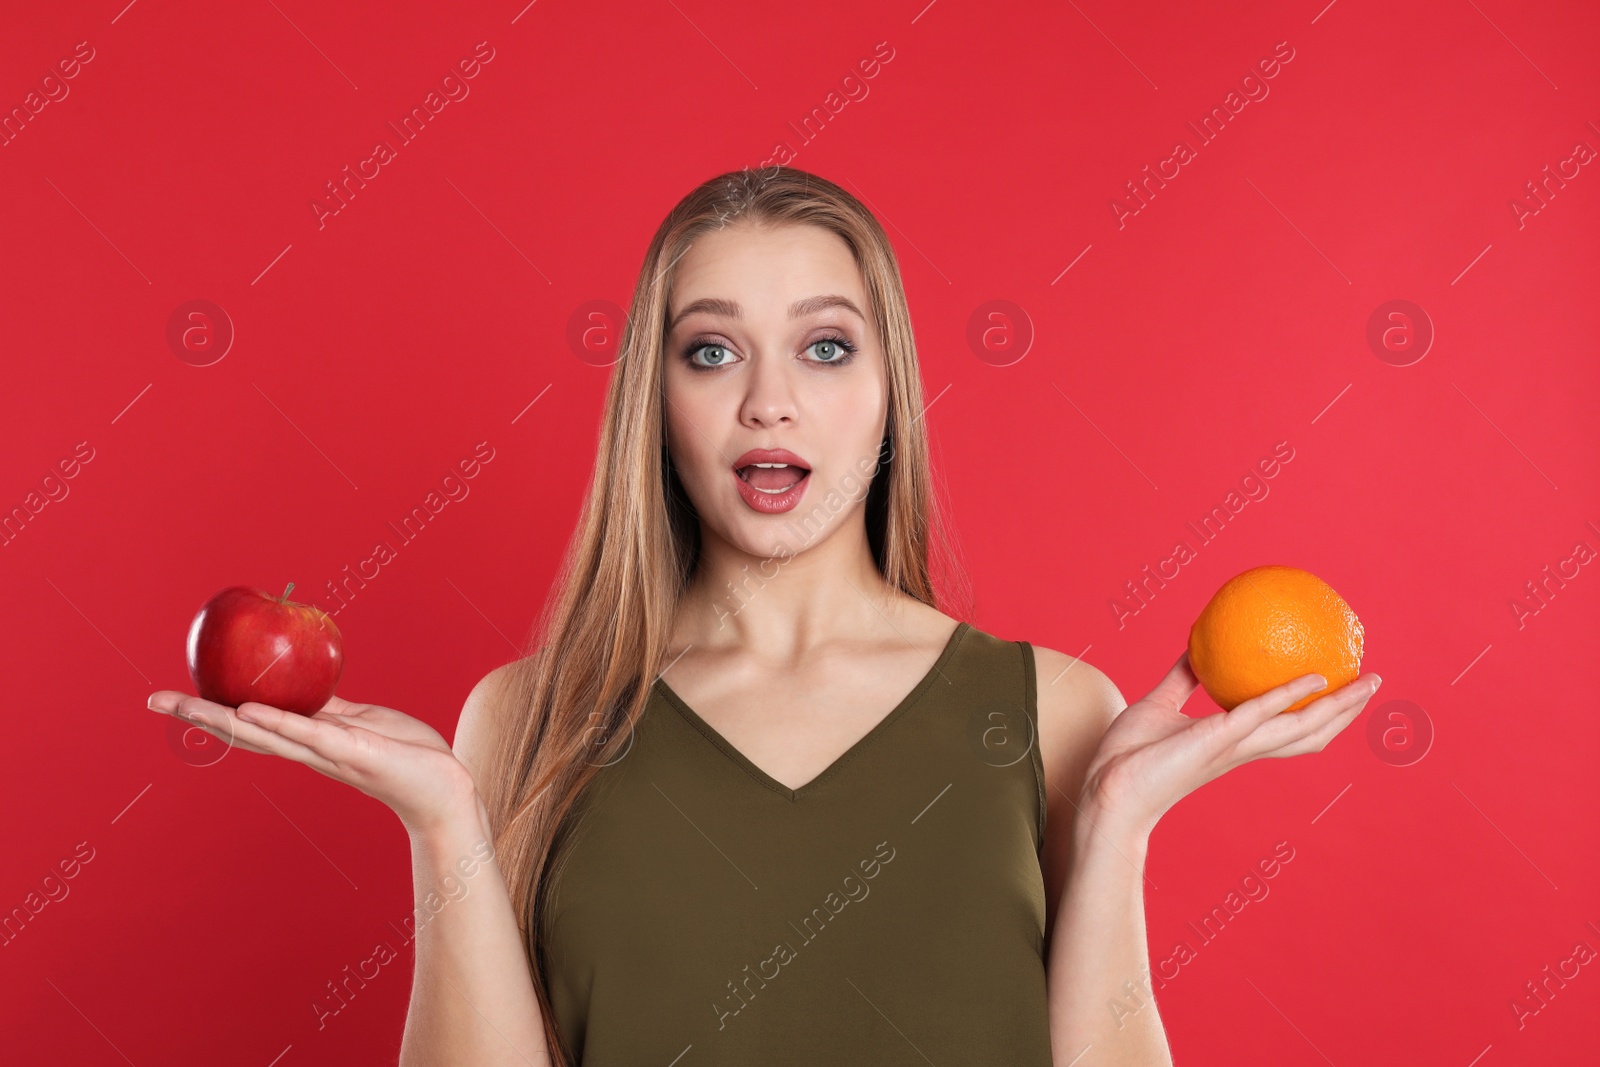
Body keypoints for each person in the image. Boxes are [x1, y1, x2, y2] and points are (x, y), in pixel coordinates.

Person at [146, 166, 1381, 1066]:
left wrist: (1114, 821)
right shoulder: (524, 718)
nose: (769, 403)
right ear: (655, 400)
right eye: (712, 352)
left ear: (892, 394)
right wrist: (443, 826)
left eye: (827, 349)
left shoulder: (1051, 711)